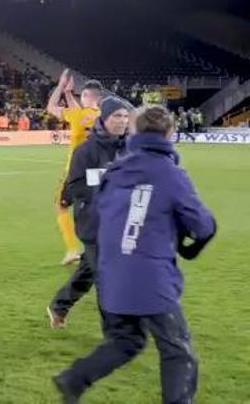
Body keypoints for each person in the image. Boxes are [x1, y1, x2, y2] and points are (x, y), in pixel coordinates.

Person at [53, 105, 216, 403]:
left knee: (126, 341)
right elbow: (202, 226)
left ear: (134, 131)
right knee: (178, 351)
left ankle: (74, 379)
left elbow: (101, 212)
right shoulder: (170, 173)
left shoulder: (115, 172)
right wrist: (184, 240)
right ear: (171, 133)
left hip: (112, 275)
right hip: (152, 280)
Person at [47, 96, 132, 330]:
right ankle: (115, 333)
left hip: (123, 220)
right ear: (104, 118)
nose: (123, 121)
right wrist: (105, 184)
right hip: (94, 222)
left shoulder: (130, 148)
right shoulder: (85, 150)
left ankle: (59, 306)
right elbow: (75, 186)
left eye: (125, 116)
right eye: (117, 116)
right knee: (106, 274)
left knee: (89, 270)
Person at [46, 69, 103, 265]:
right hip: (97, 172)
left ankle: (72, 249)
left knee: (61, 207)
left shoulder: (77, 115)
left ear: (86, 96)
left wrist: (61, 87)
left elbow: (51, 106)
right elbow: (81, 114)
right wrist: (70, 95)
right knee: (94, 209)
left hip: (75, 171)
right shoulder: (102, 116)